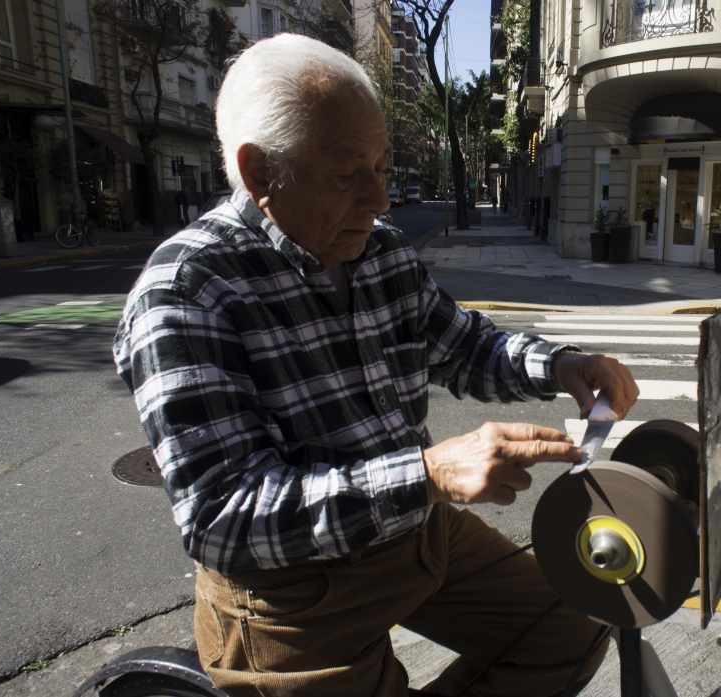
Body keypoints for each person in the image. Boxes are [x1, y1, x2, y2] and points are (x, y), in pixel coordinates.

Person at [114, 34, 639, 697]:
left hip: (414, 530)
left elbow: (463, 345)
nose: (379, 198)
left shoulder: (379, 249)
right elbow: (225, 517)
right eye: (346, 172)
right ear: (259, 172)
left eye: (383, 168)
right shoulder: (185, 291)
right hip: (291, 587)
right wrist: (427, 473)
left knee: (576, 622)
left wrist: (560, 364)